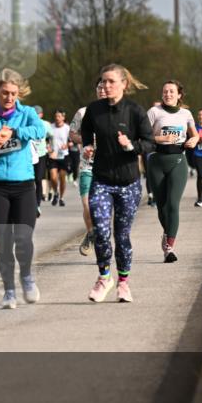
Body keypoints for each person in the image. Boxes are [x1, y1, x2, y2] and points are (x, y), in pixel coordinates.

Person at [0, 68, 47, 309]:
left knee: (23, 238)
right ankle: (9, 291)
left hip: (24, 185)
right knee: (4, 241)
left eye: (13, 93)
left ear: (19, 93)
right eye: (5, 93)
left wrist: (15, 132)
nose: (9, 98)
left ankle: (26, 277)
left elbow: (40, 131)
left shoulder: (26, 113)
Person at [80, 64, 154, 303]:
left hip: (128, 183)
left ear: (124, 84)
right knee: (101, 231)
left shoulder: (135, 111)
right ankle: (104, 278)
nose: (106, 85)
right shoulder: (94, 110)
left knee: (121, 235)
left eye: (111, 81)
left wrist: (130, 146)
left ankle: (123, 283)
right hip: (101, 180)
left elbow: (150, 143)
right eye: (103, 81)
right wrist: (88, 147)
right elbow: (86, 133)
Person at [146, 81, 199, 263]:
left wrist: (194, 140)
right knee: (161, 206)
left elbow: (195, 134)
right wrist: (161, 137)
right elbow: (143, 137)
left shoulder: (186, 114)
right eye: (165, 91)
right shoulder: (154, 112)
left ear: (179, 95)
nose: (167, 94)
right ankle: (167, 232)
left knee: (173, 204)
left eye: (171, 91)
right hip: (156, 162)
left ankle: (169, 247)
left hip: (178, 160)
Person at [70, 80, 109, 256]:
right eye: (99, 88)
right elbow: (72, 134)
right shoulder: (83, 112)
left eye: (105, 88)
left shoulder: (115, 113)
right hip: (87, 165)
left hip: (108, 167)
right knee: (87, 204)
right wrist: (87, 142)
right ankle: (91, 234)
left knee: (103, 208)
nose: (102, 90)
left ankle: (100, 235)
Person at [47, 109, 71, 206]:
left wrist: (67, 145)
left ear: (63, 118)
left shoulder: (67, 128)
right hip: (53, 155)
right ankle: (56, 193)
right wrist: (48, 148)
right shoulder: (50, 127)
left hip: (64, 155)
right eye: (56, 116)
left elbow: (71, 141)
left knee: (62, 178)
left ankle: (61, 197)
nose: (57, 118)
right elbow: (46, 140)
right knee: (53, 177)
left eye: (59, 116)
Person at [30, 105, 49, 214]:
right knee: (29, 180)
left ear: (41, 115)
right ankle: (31, 203)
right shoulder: (28, 124)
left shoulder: (45, 124)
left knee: (38, 179)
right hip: (29, 156)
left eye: (38, 114)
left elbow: (51, 136)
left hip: (41, 154)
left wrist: (51, 146)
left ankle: (37, 205)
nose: (36, 116)